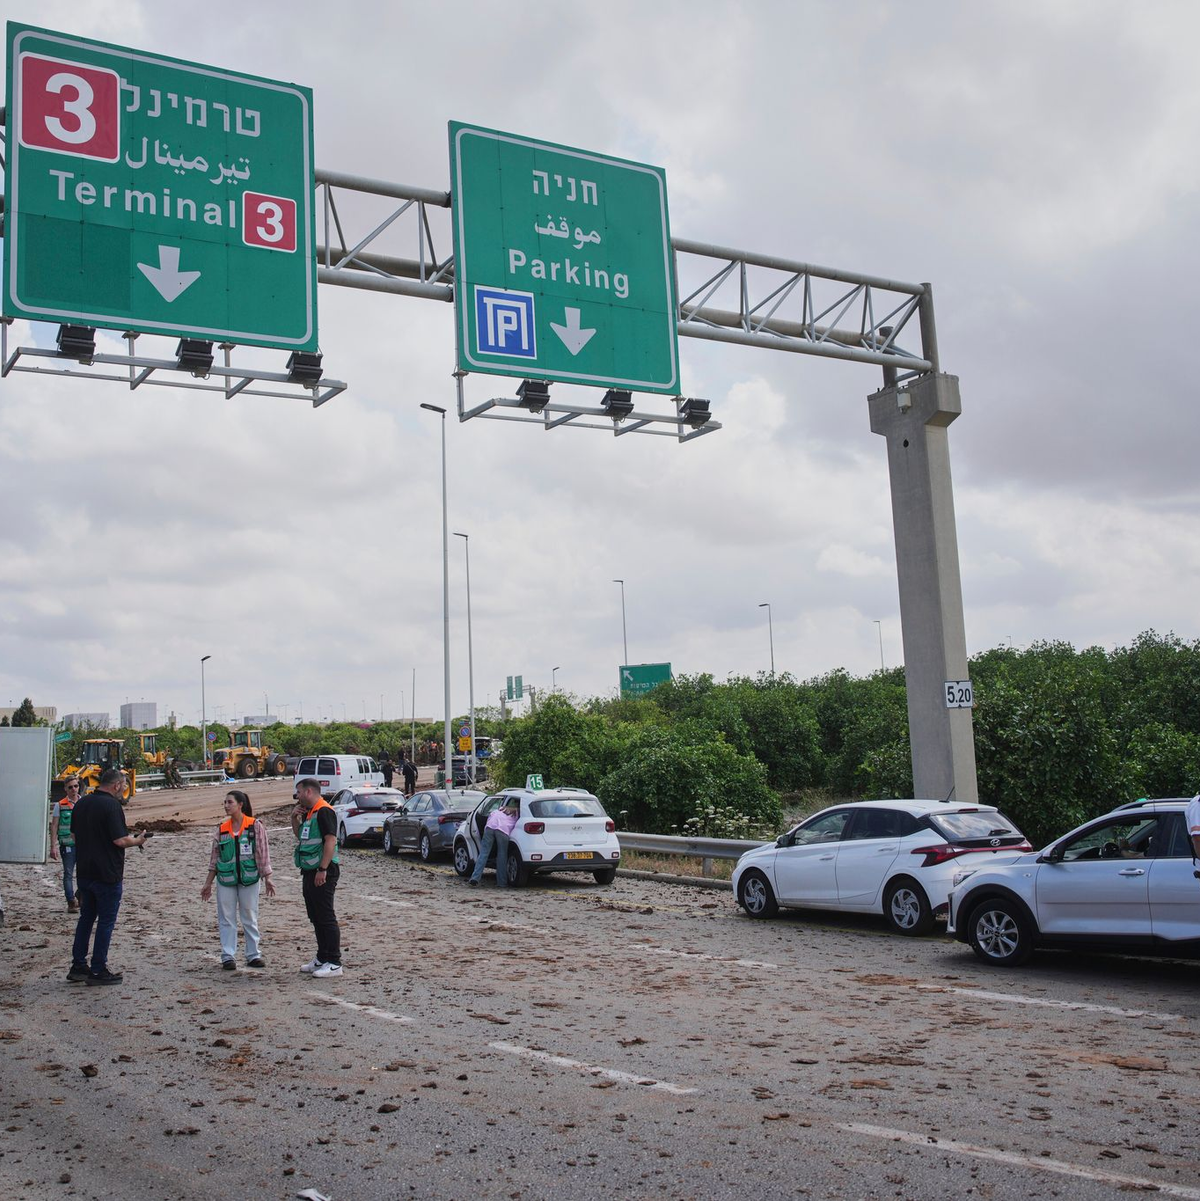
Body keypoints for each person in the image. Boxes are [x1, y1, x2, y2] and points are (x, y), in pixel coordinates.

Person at [68, 767, 149, 985]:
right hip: (107, 873)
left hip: (85, 870)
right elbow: (120, 840)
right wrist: (138, 840)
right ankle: (98, 969)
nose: (123, 788)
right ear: (115, 785)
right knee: (105, 921)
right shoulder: (111, 805)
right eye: (123, 784)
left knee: (86, 918)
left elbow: (74, 835)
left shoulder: (82, 802)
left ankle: (78, 965)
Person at [200, 791, 275, 970]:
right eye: (224, 802)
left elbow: (262, 854)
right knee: (226, 917)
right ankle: (228, 956)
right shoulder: (221, 829)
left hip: (249, 879)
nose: (226, 805)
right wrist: (208, 883)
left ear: (240, 804)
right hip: (226, 880)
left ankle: (253, 954)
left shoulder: (255, 826)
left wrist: (268, 878)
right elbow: (214, 859)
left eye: (230, 802)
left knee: (249, 915)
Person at [291, 778, 342, 978]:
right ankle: (322, 957)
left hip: (323, 870)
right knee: (315, 916)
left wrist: (323, 869)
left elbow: (330, 840)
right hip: (309, 869)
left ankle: (334, 962)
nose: (297, 796)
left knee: (326, 916)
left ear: (309, 792)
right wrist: (293, 819)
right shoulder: (309, 813)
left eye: (299, 792)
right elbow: (301, 837)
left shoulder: (324, 811)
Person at [468, 797, 519, 887]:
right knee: (502, 855)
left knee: (483, 853)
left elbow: (488, 819)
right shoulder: (517, 813)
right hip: (503, 830)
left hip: (489, 827)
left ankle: (475, 878)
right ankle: (501, 882)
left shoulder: (497, 810)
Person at [49, 778, 82, 912]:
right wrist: (53, 846)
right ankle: (71, 901)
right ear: (65, 789)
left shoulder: (84, 802)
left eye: (76, 786)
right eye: (70, 787)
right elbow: (54, 826)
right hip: (67, 844)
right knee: (68, 873)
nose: (74, 789)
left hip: (84, 845)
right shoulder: (60, 805)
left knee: (84, 873)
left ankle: (81, 898)